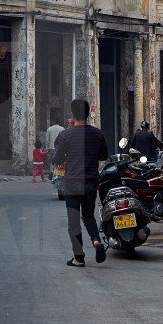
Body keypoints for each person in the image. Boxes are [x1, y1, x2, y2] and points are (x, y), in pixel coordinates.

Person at [52, 99, 109, 268]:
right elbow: (103, 156)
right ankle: (96, 241)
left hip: (72, 183)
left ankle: (79, 257)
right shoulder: (98, 134)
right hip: (91, 181)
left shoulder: (65, 135)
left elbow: (57, 159)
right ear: (89, 113)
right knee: (89, 216)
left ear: (72, 114)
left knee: (74, 221)